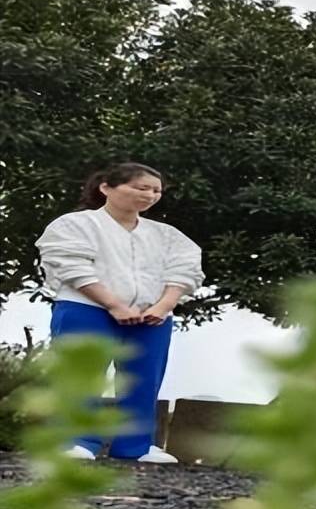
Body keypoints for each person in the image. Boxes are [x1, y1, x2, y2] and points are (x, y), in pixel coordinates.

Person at [35, 162, 204, 462]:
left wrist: (164, 306)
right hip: (86, 308)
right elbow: (71, 265)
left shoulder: (166, 234)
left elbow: (185, 269)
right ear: (106, 188)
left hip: (151, 315)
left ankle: (136, 446)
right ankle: (75, 441)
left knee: (144, 377)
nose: (150, 195)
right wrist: (113, 304)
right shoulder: (76, 224)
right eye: (141, 188)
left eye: (156, 190)